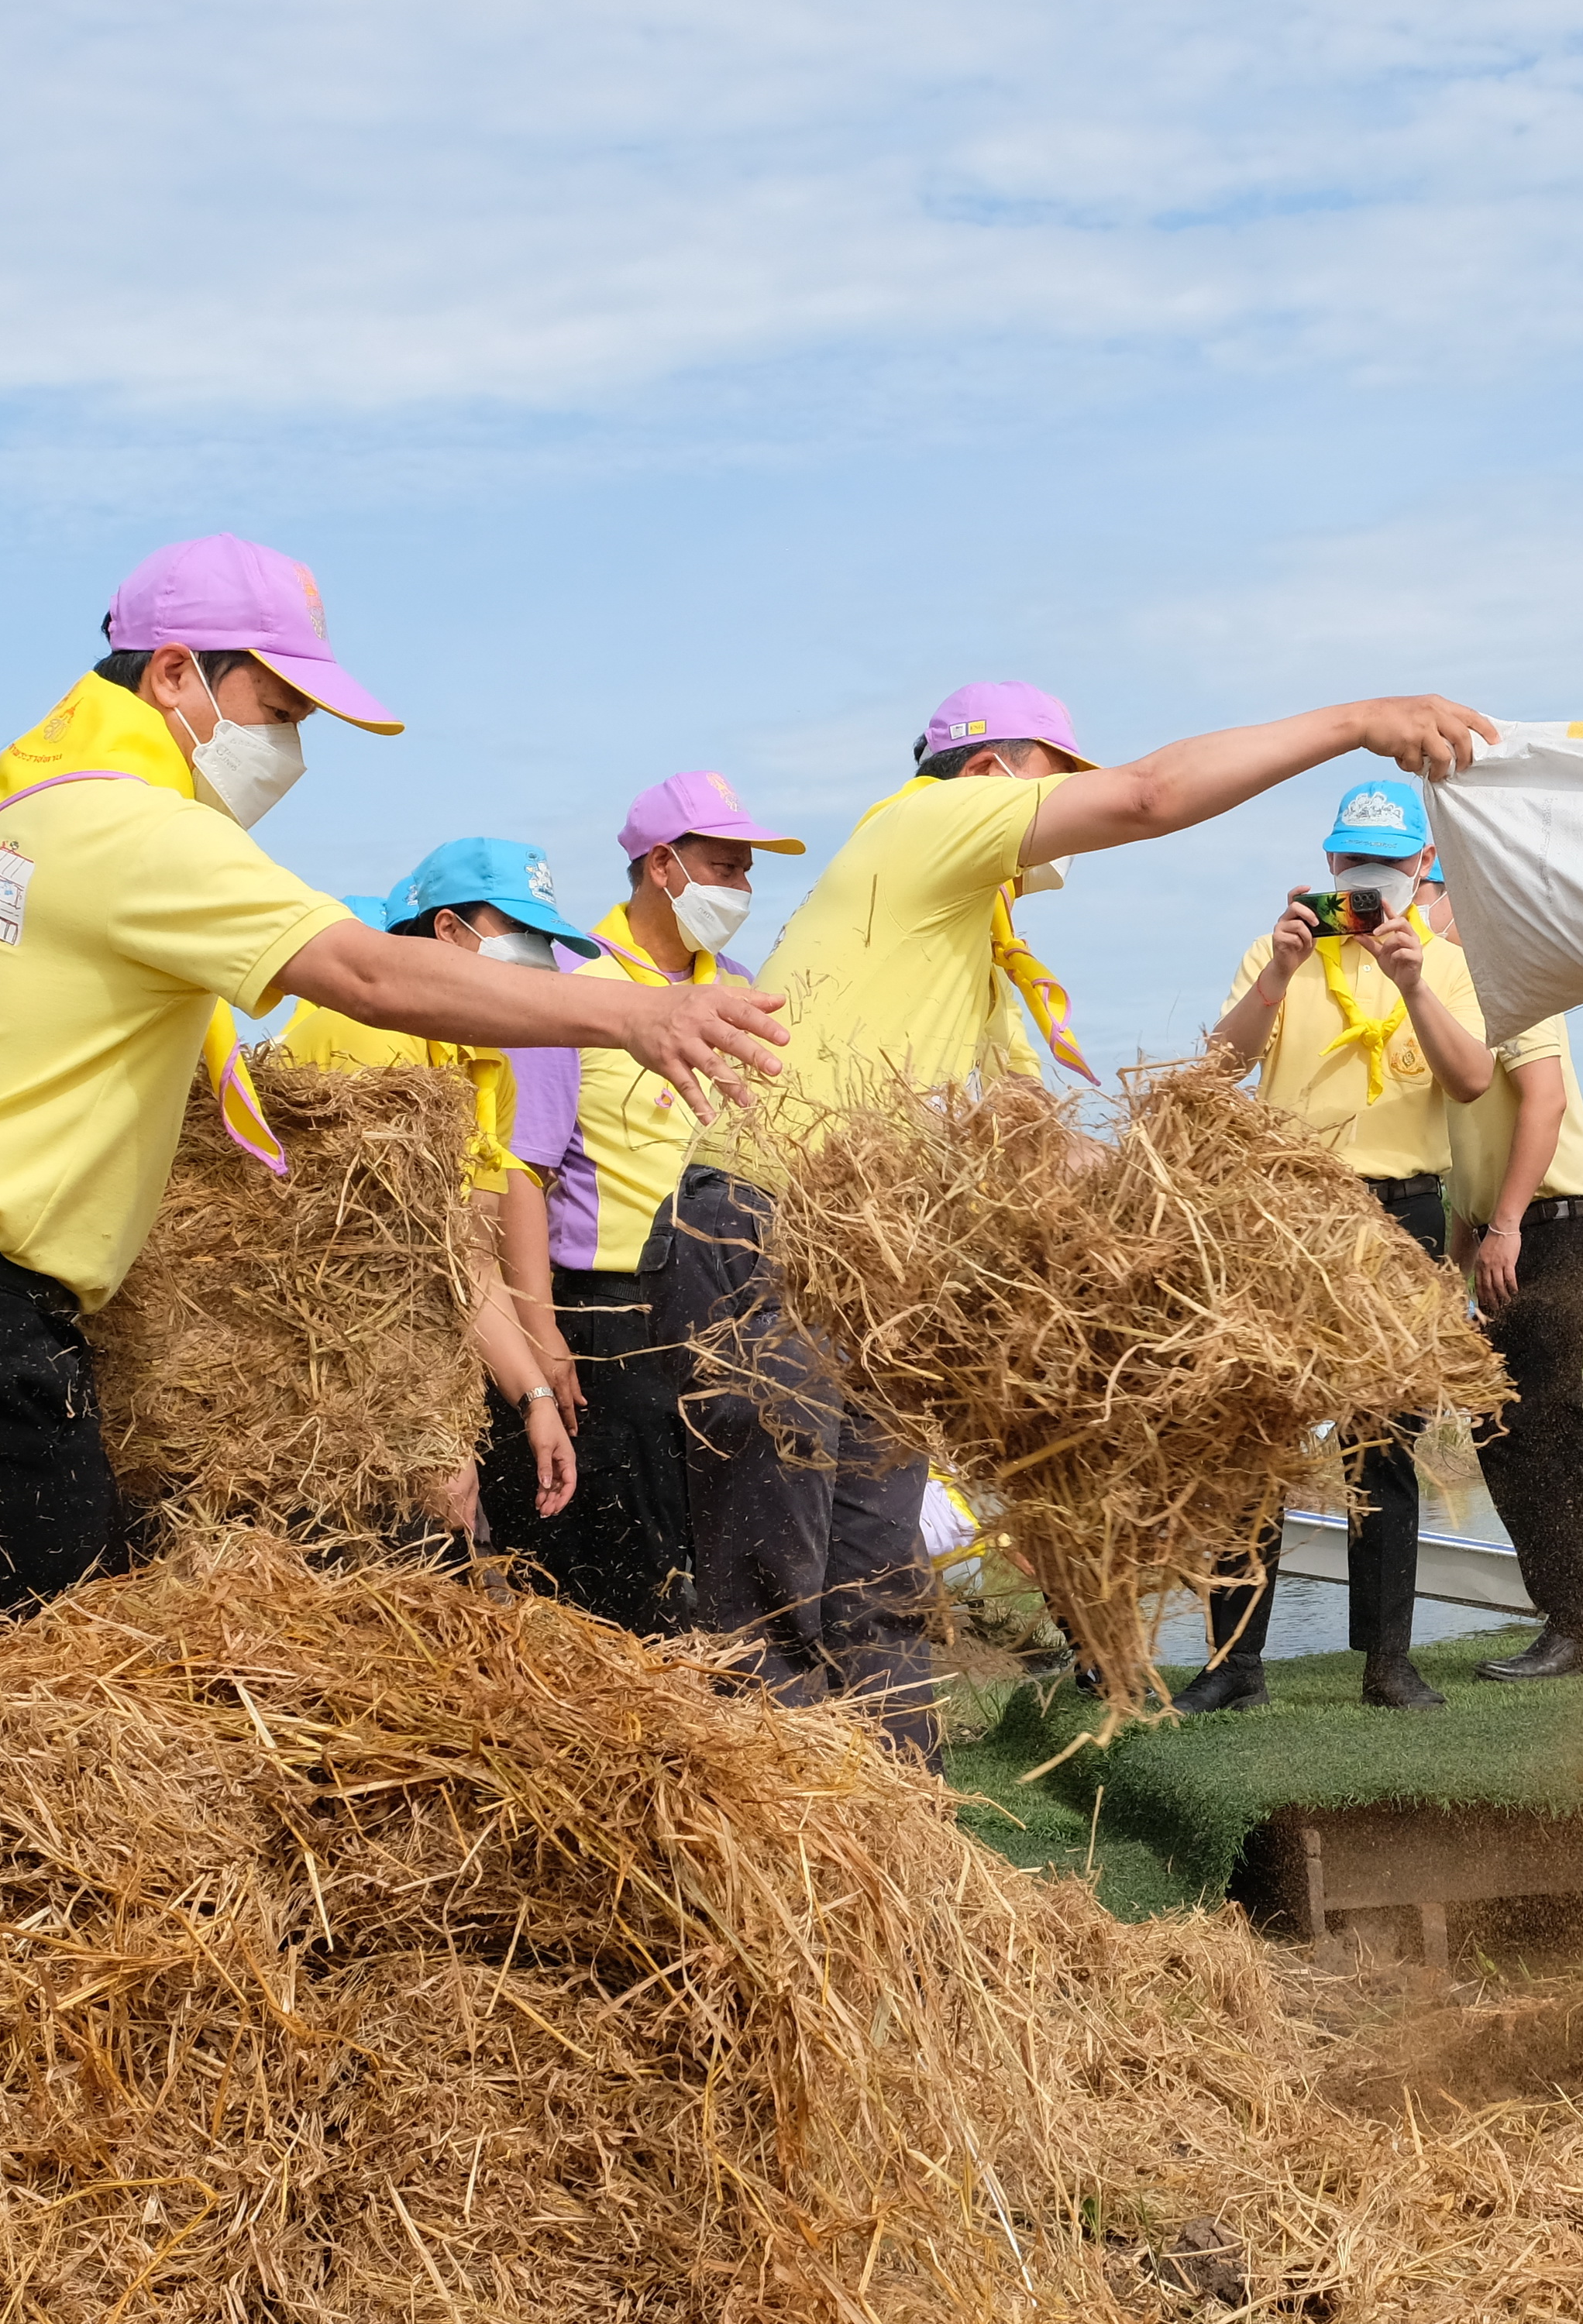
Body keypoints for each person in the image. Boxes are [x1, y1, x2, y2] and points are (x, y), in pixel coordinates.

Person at [0, 534, 786, 1680]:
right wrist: (632, 1014)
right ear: (175, 674)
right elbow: (364, 972)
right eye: (279, 710)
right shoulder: (136, 825)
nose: (292, 748)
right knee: (18, 1698)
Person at [662, 681, 1492, 1758]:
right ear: (992, 772)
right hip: (766, 1223)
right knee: (775, 1586)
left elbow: (1040, 1140)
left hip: (867, 1274)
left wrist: (1196, 1222)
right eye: (1059, 778)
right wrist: (1352, 723)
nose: (1070, 810)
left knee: (877, 1582)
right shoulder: (927, 819)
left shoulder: (964, 946)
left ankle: (908, 1826)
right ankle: (786, 1822)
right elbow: (1149, 795)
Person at [1185, 779, 1495, 1712]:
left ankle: (1386, 1663)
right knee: (1253, 1434)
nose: (1368, 881)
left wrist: (1410, 982)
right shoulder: (1275, 951)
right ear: (1326, 863)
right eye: (1353, 863)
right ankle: (1233, 1665)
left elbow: (1471, 1079)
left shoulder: (1446, 964)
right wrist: (1277, 975)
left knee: (1384, 1441)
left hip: (1402, 1212)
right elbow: (1218, 1068)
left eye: (1387, 865)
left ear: (1422, 865)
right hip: (1288, 1215)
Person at [277, 837, 597, 1545]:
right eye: (519, 931)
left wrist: (533, 1398)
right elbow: (369, 1270)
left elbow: (466, 1255)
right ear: (448, 930)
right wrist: (427, 1436)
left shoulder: (487, 1065)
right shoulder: (369, 1037)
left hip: (402, 1355)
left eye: (547, 938)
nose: (539, 956)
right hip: (317, 1375)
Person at [538, 771, 798, 1631]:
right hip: (608, 1313)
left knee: (724, 1541)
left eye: (747, 871)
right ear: (662, 866)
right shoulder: (570, 977)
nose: (743, 888)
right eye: (725, 868)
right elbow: (522, 1168)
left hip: (728, 1308)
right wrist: (540, 1332)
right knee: (628, 1563)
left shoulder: (744, 986)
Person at [1427, 876, 1583, 1681]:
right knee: (1498, 1430)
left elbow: (1543, 1105)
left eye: (1427, 890)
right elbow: (1463, 1166)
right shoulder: (1438, 1009)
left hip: (1559, 1226)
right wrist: (1451, 1270)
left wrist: (1505, 1225)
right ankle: (1569, 1617)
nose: (1417, 910)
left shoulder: (1508, 977)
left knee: (1542, 1417)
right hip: (1500, 1236)